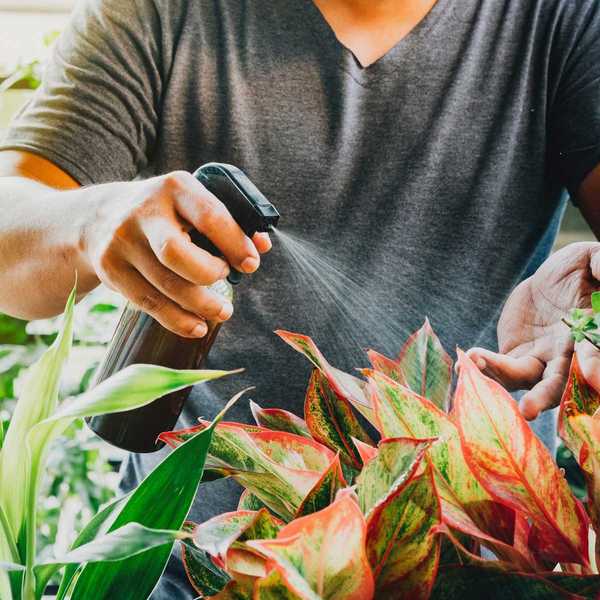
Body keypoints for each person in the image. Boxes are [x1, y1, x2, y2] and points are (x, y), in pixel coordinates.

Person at [1, 0, 599, 596]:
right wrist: (88, 221)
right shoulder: (156, 12)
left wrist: (590, 290)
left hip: (478, 563)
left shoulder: (563, 18)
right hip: (194, 568)